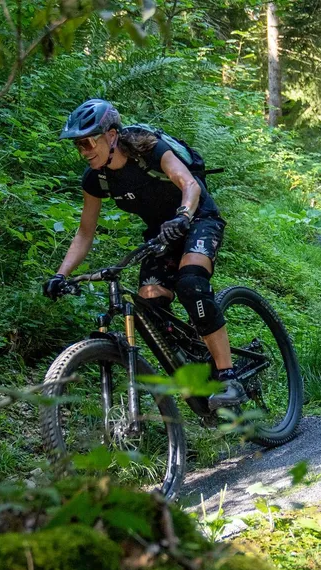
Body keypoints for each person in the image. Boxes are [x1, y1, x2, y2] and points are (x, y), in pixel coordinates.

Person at [43, 99, 245, 408]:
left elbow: (188, 184)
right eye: (78, 145)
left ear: (111, 135)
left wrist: (183, 217)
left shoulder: (148, 150)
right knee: (150, 302)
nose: (83, 151)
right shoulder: (95, 179)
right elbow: (85, 233)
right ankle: (194, 357)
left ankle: (228, 376)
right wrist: (61, 275)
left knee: (191, 283)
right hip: (160, 234)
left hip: (198, 218)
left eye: (87, 141)